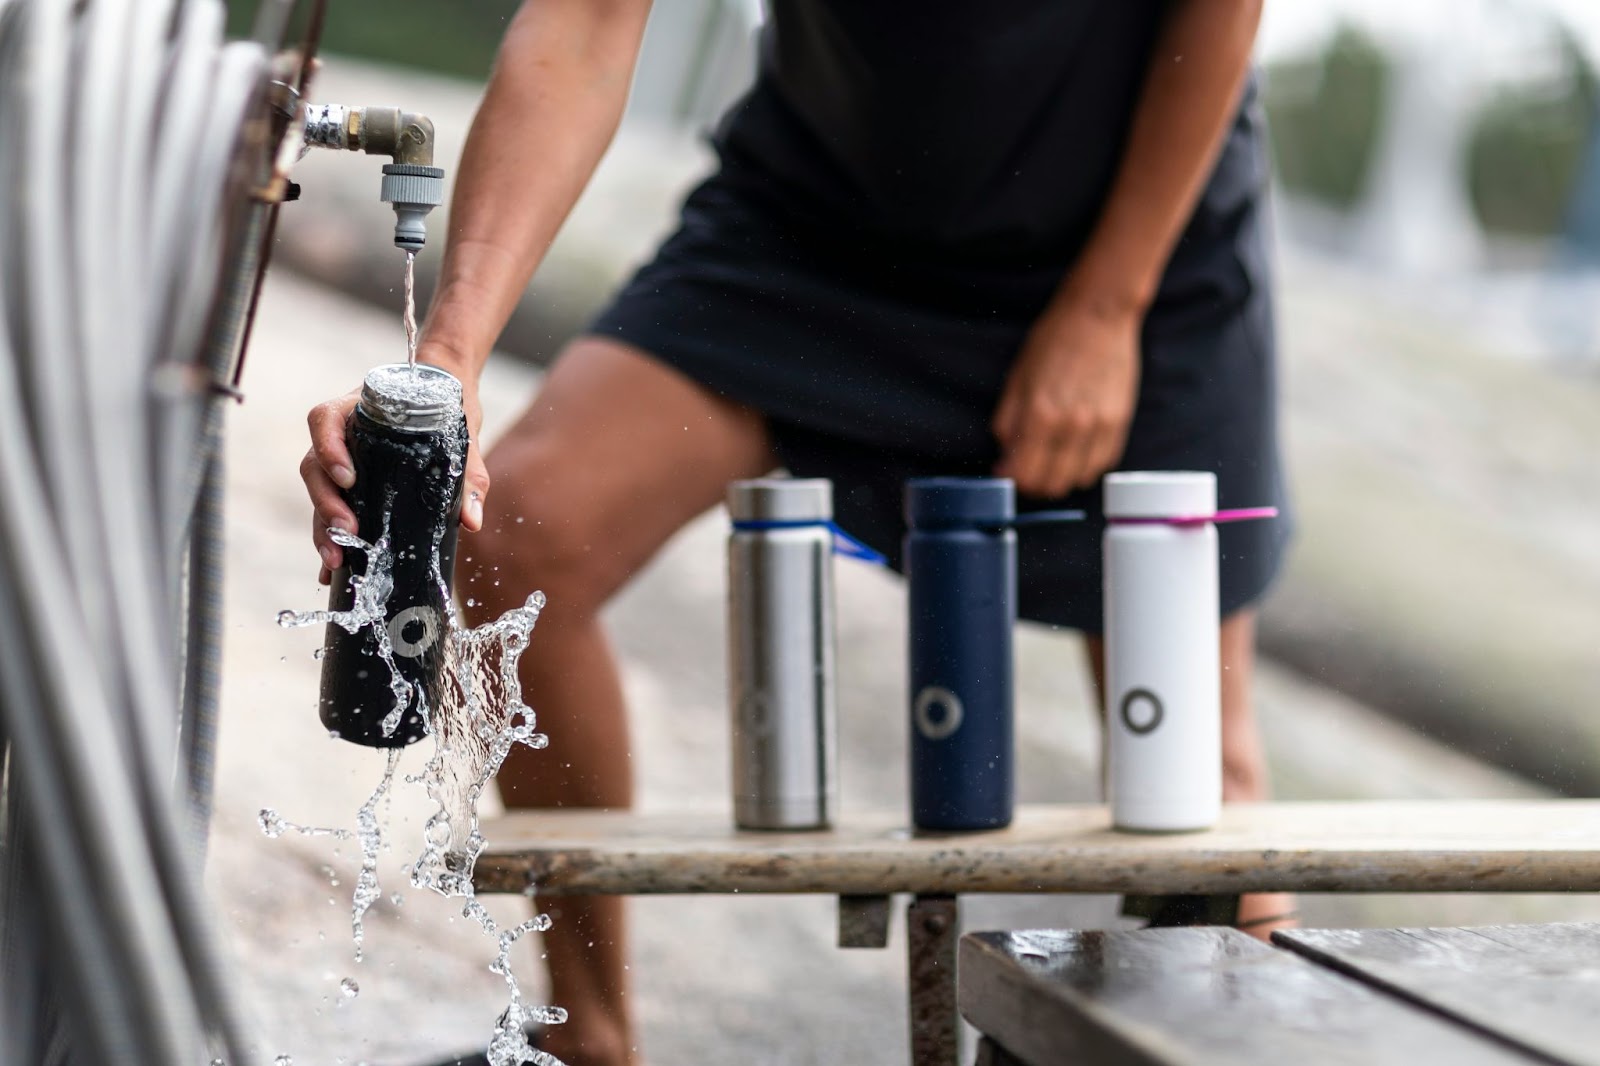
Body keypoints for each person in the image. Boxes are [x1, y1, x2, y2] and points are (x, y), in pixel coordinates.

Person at [300, 2, 1291, 1063]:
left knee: (1197, 777)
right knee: (511, 532)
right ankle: (588, 1039)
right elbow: (584, 27)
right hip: (819, 219)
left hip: (1124, 233)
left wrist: (1108, 303)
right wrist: (445, 366)